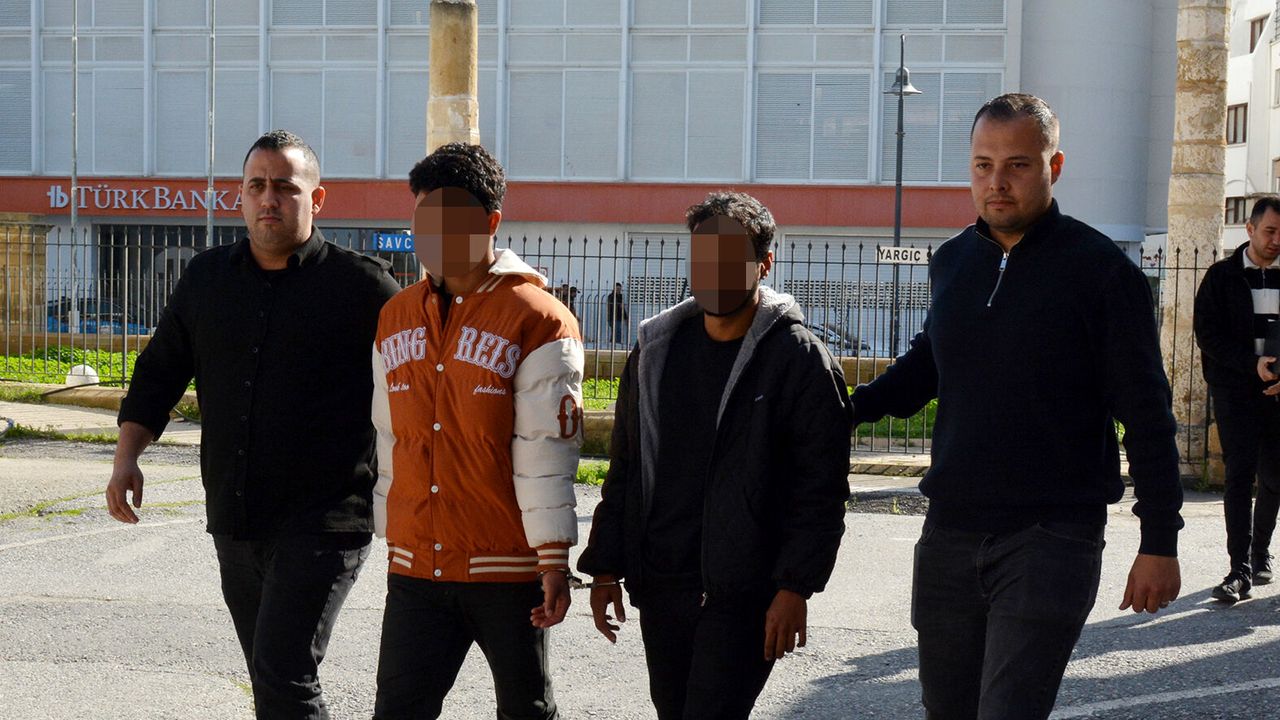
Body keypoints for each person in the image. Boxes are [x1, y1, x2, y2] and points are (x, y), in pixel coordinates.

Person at [850, 94, 1183, 719]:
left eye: (1018, 165)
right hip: (949, 534)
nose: (996, 182)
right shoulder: (952, 261)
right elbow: (927, 365)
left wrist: (1159, 540)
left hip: (1051, 538)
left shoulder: (1101, 272)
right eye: (983, 165)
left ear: (1055, 166)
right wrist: (840, 409)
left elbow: (1147, 414)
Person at [106, 129, 401, 719]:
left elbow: (418, 385)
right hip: (236, 517)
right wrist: (125, 458)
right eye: (257, 186)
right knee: (271, 678)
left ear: (317, 199)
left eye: (285, 187)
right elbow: (159, 373)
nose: (269, 198)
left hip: (325, 521)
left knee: (284, 676)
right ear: (239, 196)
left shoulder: (365, 287)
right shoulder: (206, 280)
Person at [577, 191, 852, 720]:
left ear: (763, 263)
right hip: (662, 584)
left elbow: (820, 490)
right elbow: (626, 468)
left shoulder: (798, 360)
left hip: (745, 593)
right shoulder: (655, 353)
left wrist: (795, 586)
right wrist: (606, 566)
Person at [371, 142, 584, 720]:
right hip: (416, 564)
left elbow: (547, 449)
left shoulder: (538, 318)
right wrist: (392, 529)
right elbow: (389, 438)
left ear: (491, 222)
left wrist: (552, 558)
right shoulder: (395, 316)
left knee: (525, 710)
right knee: (397, 712)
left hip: (506, 567)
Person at [1193, 194, 1280, 602]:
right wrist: (1252, 365)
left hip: (1278, 392)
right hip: (1236, 392)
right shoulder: (1221, 277)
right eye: (1270, 231)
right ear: (1250, 229)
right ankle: (1238, 570)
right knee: (1239, 476)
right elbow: (1208, 335)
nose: (1276, 240)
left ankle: (1260, 552)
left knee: (1275, 476)